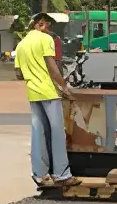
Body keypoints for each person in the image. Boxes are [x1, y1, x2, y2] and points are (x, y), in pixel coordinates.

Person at [14, 12, 80, 189]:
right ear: (40, 24)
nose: (50, 28)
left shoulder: (21, 44)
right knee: (57, 133)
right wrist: (64, 87)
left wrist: (33, 74)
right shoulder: (45, 40)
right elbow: (52, 66)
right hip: (49, 92)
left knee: (38, 133)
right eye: (48, 24)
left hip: (33, 93)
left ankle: (40, 175)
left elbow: (19, 73)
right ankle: (62, 174)